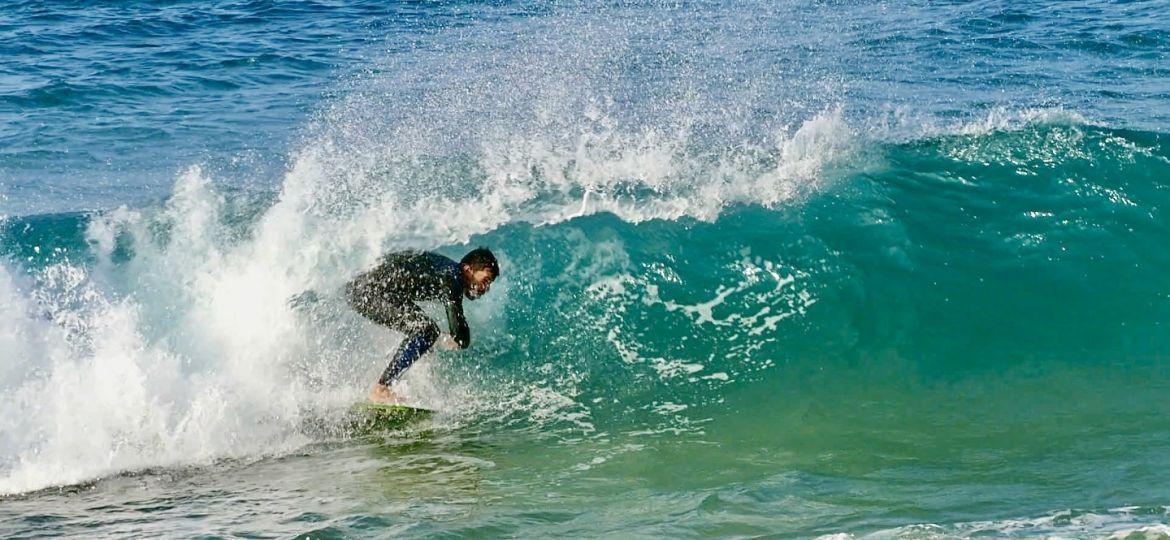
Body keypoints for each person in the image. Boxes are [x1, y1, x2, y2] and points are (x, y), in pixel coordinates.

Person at [345, 247, 499, 403]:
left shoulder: (445, 269)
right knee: (427, 331)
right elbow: (460, 335)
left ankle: (415, 389)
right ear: (468, 269)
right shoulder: (452, 278)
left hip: (368, 287)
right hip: (367, 290)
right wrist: (455, 340)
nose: (486, 288)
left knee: (427, 333)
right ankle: (381, 388)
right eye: (485, 280)